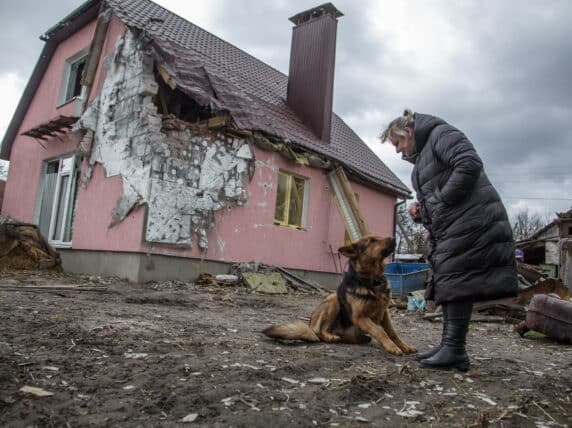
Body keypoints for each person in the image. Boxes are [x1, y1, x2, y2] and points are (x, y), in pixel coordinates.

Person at [380, 109, 518, 371]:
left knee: (457, 279)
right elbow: (438, 201)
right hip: (457, 224)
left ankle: (454, 349)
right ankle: (450, 346)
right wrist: (422, 212)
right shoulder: (425, 158)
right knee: (454, 281)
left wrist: (437, 201)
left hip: (473, 220)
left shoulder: (441, 134)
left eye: (397, 143)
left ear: (408, 131)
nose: (398, 151)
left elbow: (469, 164)